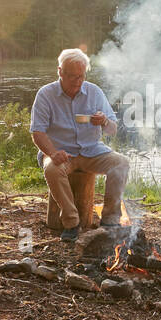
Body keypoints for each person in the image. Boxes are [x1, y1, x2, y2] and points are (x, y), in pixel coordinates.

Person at [30, 48, 130, 241]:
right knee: (52, 169)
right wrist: (52, 153)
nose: (77, 81)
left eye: (81, 76)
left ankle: (110, 220)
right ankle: (71, 222)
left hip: (91, 152)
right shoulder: (45, 94)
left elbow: (112, 129)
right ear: (60, 71)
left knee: (121, 163)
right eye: (72, 76)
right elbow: (38, 132)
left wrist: (104, 122)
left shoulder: (94, 92)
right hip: (61, 153)